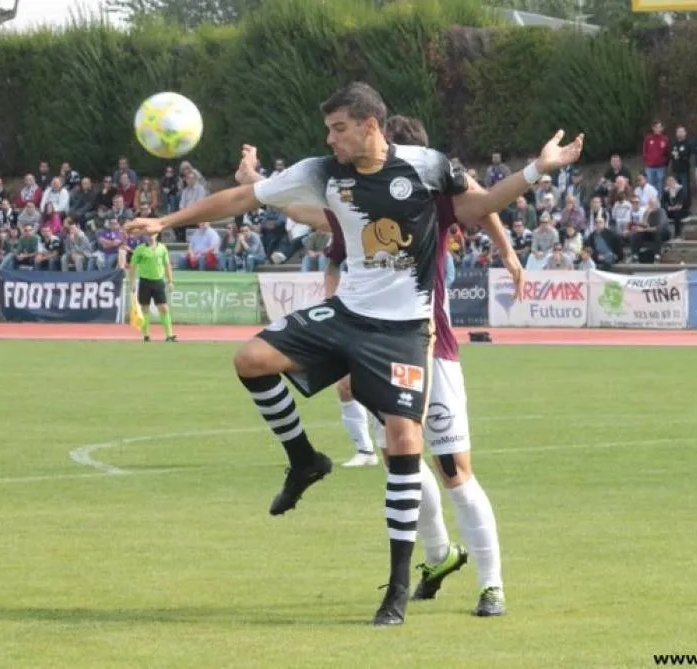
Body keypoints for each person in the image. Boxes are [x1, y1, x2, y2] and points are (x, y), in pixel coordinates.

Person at [125, 81, 583, 626]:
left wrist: (537, 171)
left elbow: (481, 205)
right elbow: (253, 200)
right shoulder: (326, 176)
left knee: (442, 464)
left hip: (412, 335)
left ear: (371, 125)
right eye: (328, 129)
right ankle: (309, 465)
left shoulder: (426, 169)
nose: (330, 138)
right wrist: (168, 222)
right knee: (255, 362)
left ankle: (468, 585)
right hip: (347, 319)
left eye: (338, 128)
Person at [235, 114, 523, 618]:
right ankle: (437, 557)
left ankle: (492, 582)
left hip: (432, 349)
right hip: (371, 347)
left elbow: (483, 201)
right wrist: (256, 185)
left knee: (453, 469)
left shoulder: (434, 204)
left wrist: (510, 256)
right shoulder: (358, 209)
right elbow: (313, 214)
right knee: (399, 459)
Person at [127, 234, 177, 342]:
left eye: (153, 234)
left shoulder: (162, 248)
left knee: (163, 307)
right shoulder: (140, 249)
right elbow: (133, 266)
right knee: (145, 308)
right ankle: (146, 335)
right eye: (148, 234)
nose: (150, 236)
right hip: (145, 281)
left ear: (157, 235)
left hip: (158, 281)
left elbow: (167, 265)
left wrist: (170, 281)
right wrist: (132, 282)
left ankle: (169, 335)